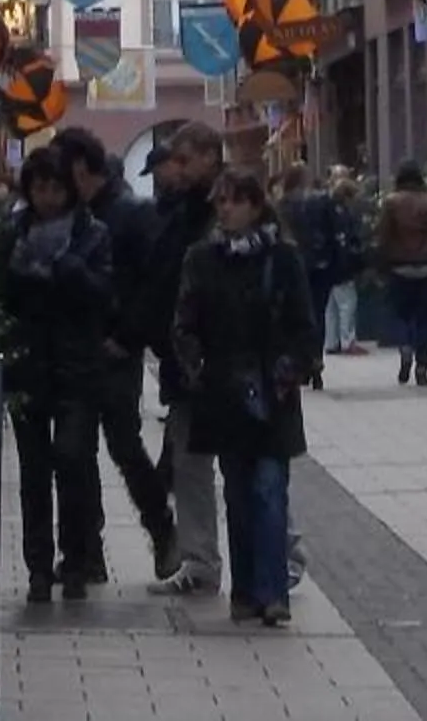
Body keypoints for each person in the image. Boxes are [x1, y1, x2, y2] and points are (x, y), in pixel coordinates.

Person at [171, 166, 318, 628]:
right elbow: (185, 323)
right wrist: (197, 371)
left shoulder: (282, 257)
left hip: (273, 392)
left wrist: (291, 369)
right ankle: (246, 592)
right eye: (221, 202)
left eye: (235, 201)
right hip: (225, 393)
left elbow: (303, 322)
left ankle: (274, 593)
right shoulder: (202, 258)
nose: (226, 210)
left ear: (256, 206)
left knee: (270, 489)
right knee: (237, 492)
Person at [0, 144, 116, 602]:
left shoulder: (91, 234)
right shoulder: (12, 234)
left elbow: (102, 293)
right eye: (39, 187)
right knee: (34, 472)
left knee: (73, 461)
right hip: (29, 366)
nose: (46, 197)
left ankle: (76, 560)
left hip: (77, 367)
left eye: (55, 188)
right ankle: (39, 567)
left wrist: (63, 264)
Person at [54, 125, 179, 579]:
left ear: (84, 171)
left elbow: (150, 286)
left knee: (123, 445)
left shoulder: (128, 213)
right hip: (77, 349)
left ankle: (162, 528)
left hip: (114, 350)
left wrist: (127, 338)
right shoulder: (74, 215)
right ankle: (87, 550)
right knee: (75, 451)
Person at [134, 122, 229, 598]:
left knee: (245, 461)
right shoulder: (183, 211)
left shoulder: (223, 208)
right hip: (185, 359)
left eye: (186, 160)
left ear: (211, 157)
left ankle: (283, 556)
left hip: (221, 359)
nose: (178, 169)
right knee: (191, 463)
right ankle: (200, 562)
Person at [371, 160, 427, 387]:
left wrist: (380, 262)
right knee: (424, 317)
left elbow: (383, 235)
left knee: (400, 314)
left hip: (399, 266)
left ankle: (405, 347)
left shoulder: (391, 203)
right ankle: (423, 365)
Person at [279, 163, 360, 390]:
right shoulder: (322, 200)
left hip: (294, 265)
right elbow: (336, 231)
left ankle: (301, 362)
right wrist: (338, 262)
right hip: (321, 265)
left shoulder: (283, 204)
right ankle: (315, 361)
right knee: (317, 312)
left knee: (295, 315)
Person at [324, 168, 372, 355]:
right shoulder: (344, 215)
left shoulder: (327, 209)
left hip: (328, 265)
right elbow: (349, 240)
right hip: (342, 267)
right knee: (347, 303)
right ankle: (348, 341)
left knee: (331, 307)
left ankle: (330, 341)